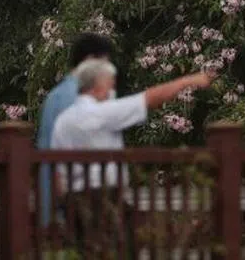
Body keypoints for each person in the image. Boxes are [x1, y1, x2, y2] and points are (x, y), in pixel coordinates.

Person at [50, 58, 213, 256]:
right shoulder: (101, 112)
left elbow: (57, 172)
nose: (112, 90)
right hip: (103, 198)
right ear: (98, 86)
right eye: (110, 83)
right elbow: (150, 99)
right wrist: (189, 81)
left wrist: (63, 207)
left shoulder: (62, 121)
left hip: (73, 202)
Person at [35, 33, 116, 228]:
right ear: (89, 62)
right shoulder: (84, 98)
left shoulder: (54, 97)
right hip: (81, 199)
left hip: (55, 199)